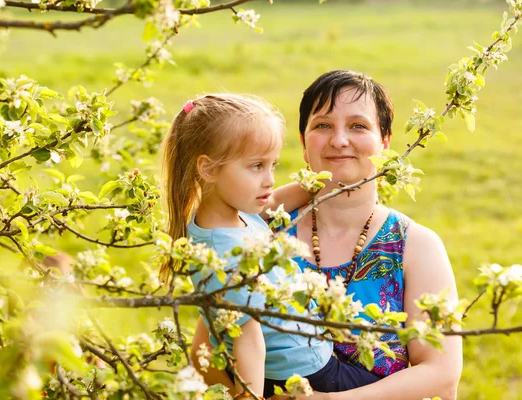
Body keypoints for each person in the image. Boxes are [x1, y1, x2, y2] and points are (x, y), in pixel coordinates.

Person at [191, 71, 463, 400]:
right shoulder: (262, 232)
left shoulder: (415, 246)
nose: (339, 140)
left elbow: (442, 376)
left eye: (358, 126)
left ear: (385, 143)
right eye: (322, 126)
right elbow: (207, 351)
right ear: (304, 145)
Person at [162, 93, 381, 399]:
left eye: (272, 165)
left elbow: (278, 200)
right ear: (209, 169)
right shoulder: (225, 255)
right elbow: (247, 339)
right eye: (256, 166)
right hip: (307, 373)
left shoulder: (226, 215)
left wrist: (328, 179)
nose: (269, 180)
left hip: (297, 361)